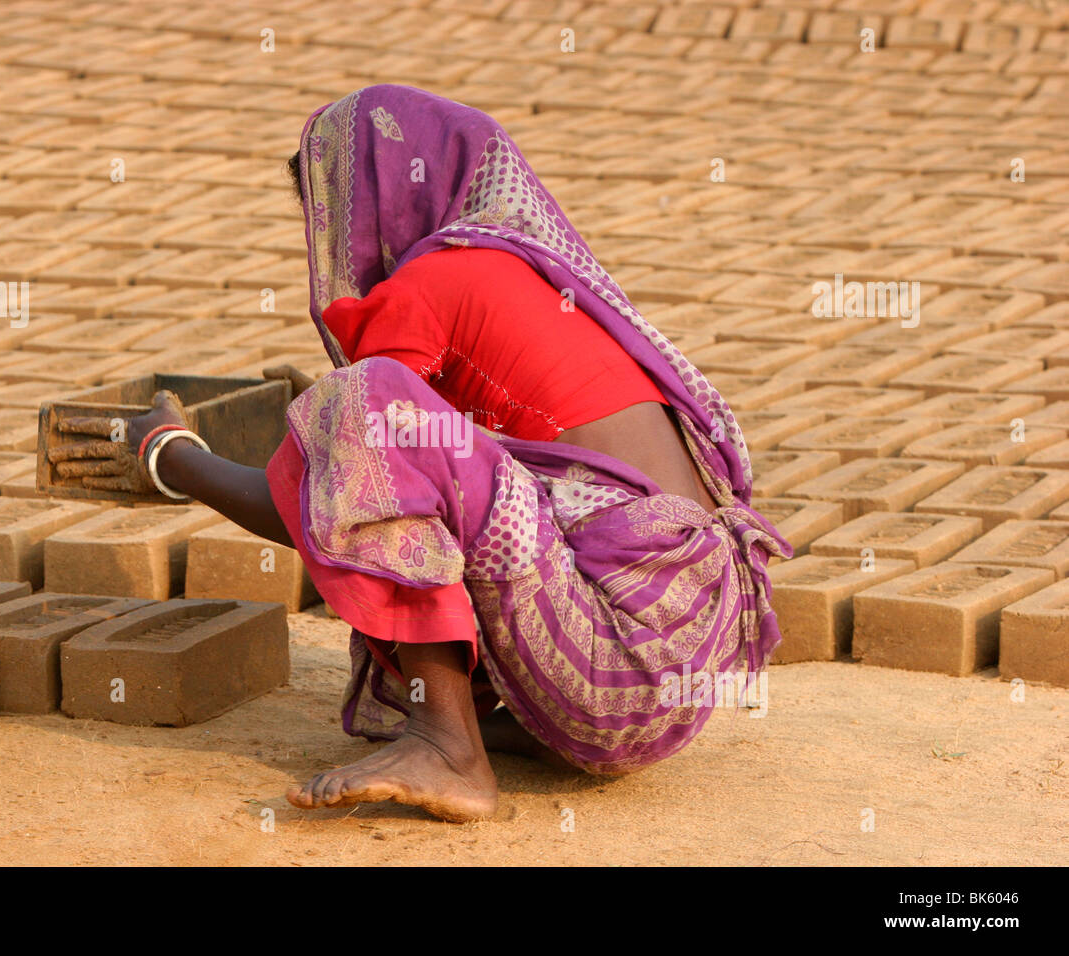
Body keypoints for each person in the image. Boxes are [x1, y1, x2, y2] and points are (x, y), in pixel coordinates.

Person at [51, 84, 791, 823]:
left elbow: (343, 496)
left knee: (360, 418)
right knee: (365, 426)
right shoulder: (518, 272)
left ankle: (447, 744)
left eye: (326, 212)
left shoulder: (427, 284)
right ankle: (518, 726)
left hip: (613, 668)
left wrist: (173, 458)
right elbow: (485, 439)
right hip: (688, 667)